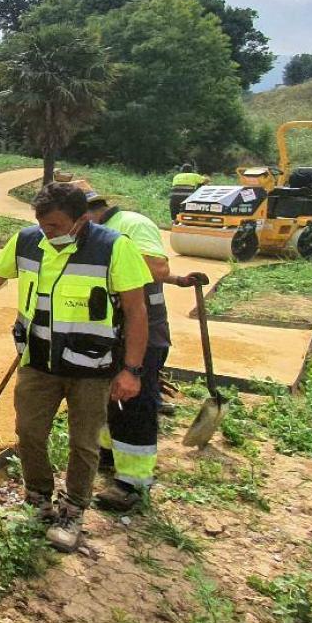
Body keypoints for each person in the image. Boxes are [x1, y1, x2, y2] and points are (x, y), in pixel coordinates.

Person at [0, 182, 151, 552]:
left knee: (83, 443)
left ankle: (74, 509)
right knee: (29, 433)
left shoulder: (114, 248)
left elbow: (136, 310)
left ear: (81, 221)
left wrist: (132, 370)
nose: (47, 232)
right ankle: (38, 499)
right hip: (39, 362)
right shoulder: (27, 241)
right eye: (42, 224)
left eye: (55, 226)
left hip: (90, 367)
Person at [74, 181, 207, 511]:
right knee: (107, 398)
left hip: (143, 330)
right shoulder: (88, 234)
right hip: (107, 330)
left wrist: (107, 254)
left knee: (134, 401)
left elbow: (158, 268)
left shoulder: (131, 224)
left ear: (89, 211)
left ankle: (133, 483)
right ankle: (108, 455)